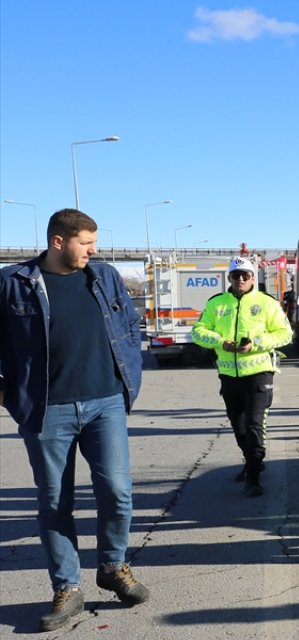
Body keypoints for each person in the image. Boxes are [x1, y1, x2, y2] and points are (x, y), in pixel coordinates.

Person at [0, 209, 150, 631]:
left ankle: (113, 567)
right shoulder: (14, 283)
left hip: (106, 403)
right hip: (47, 409)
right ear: (59, 242)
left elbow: (130, 326)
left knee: (117, 492)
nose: (94, 250)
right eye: (86, 242)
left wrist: (127, 379)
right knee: (54, 503)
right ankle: (68, 588)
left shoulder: (104, 277)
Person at [192, 256, 294, 497]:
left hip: (259, 374)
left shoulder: (266, 302)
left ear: (253, 278)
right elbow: (198, 332)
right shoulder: (216, 303)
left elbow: (285, 334)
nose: (241, 279)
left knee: (255, 424)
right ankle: (251, 460)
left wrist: (257, 344)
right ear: (229, 278)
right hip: (229, 375)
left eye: (246, 275)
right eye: (236, 275)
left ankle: (254, 476)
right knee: (238, 426)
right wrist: (221, 342)